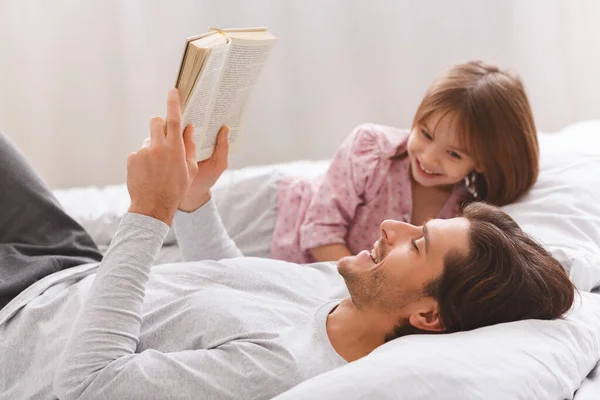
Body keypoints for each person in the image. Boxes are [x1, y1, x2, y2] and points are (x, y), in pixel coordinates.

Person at [0, 89, 573, 400]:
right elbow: (228, 281)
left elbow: (88, 387)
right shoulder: (349, 293)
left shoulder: (276, 371)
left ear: (427, 314)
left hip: (17, 314)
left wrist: (150, 212)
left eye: (416, 244)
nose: (392, 227)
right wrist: (196, 200)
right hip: (71, 266)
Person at [270, 60, 540, 263]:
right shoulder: (370, 150)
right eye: (425, 133)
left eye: (454, 154)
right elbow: (320, 232)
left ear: (482, 162)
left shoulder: (460, 218)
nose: (428, 157)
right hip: (276, 220)